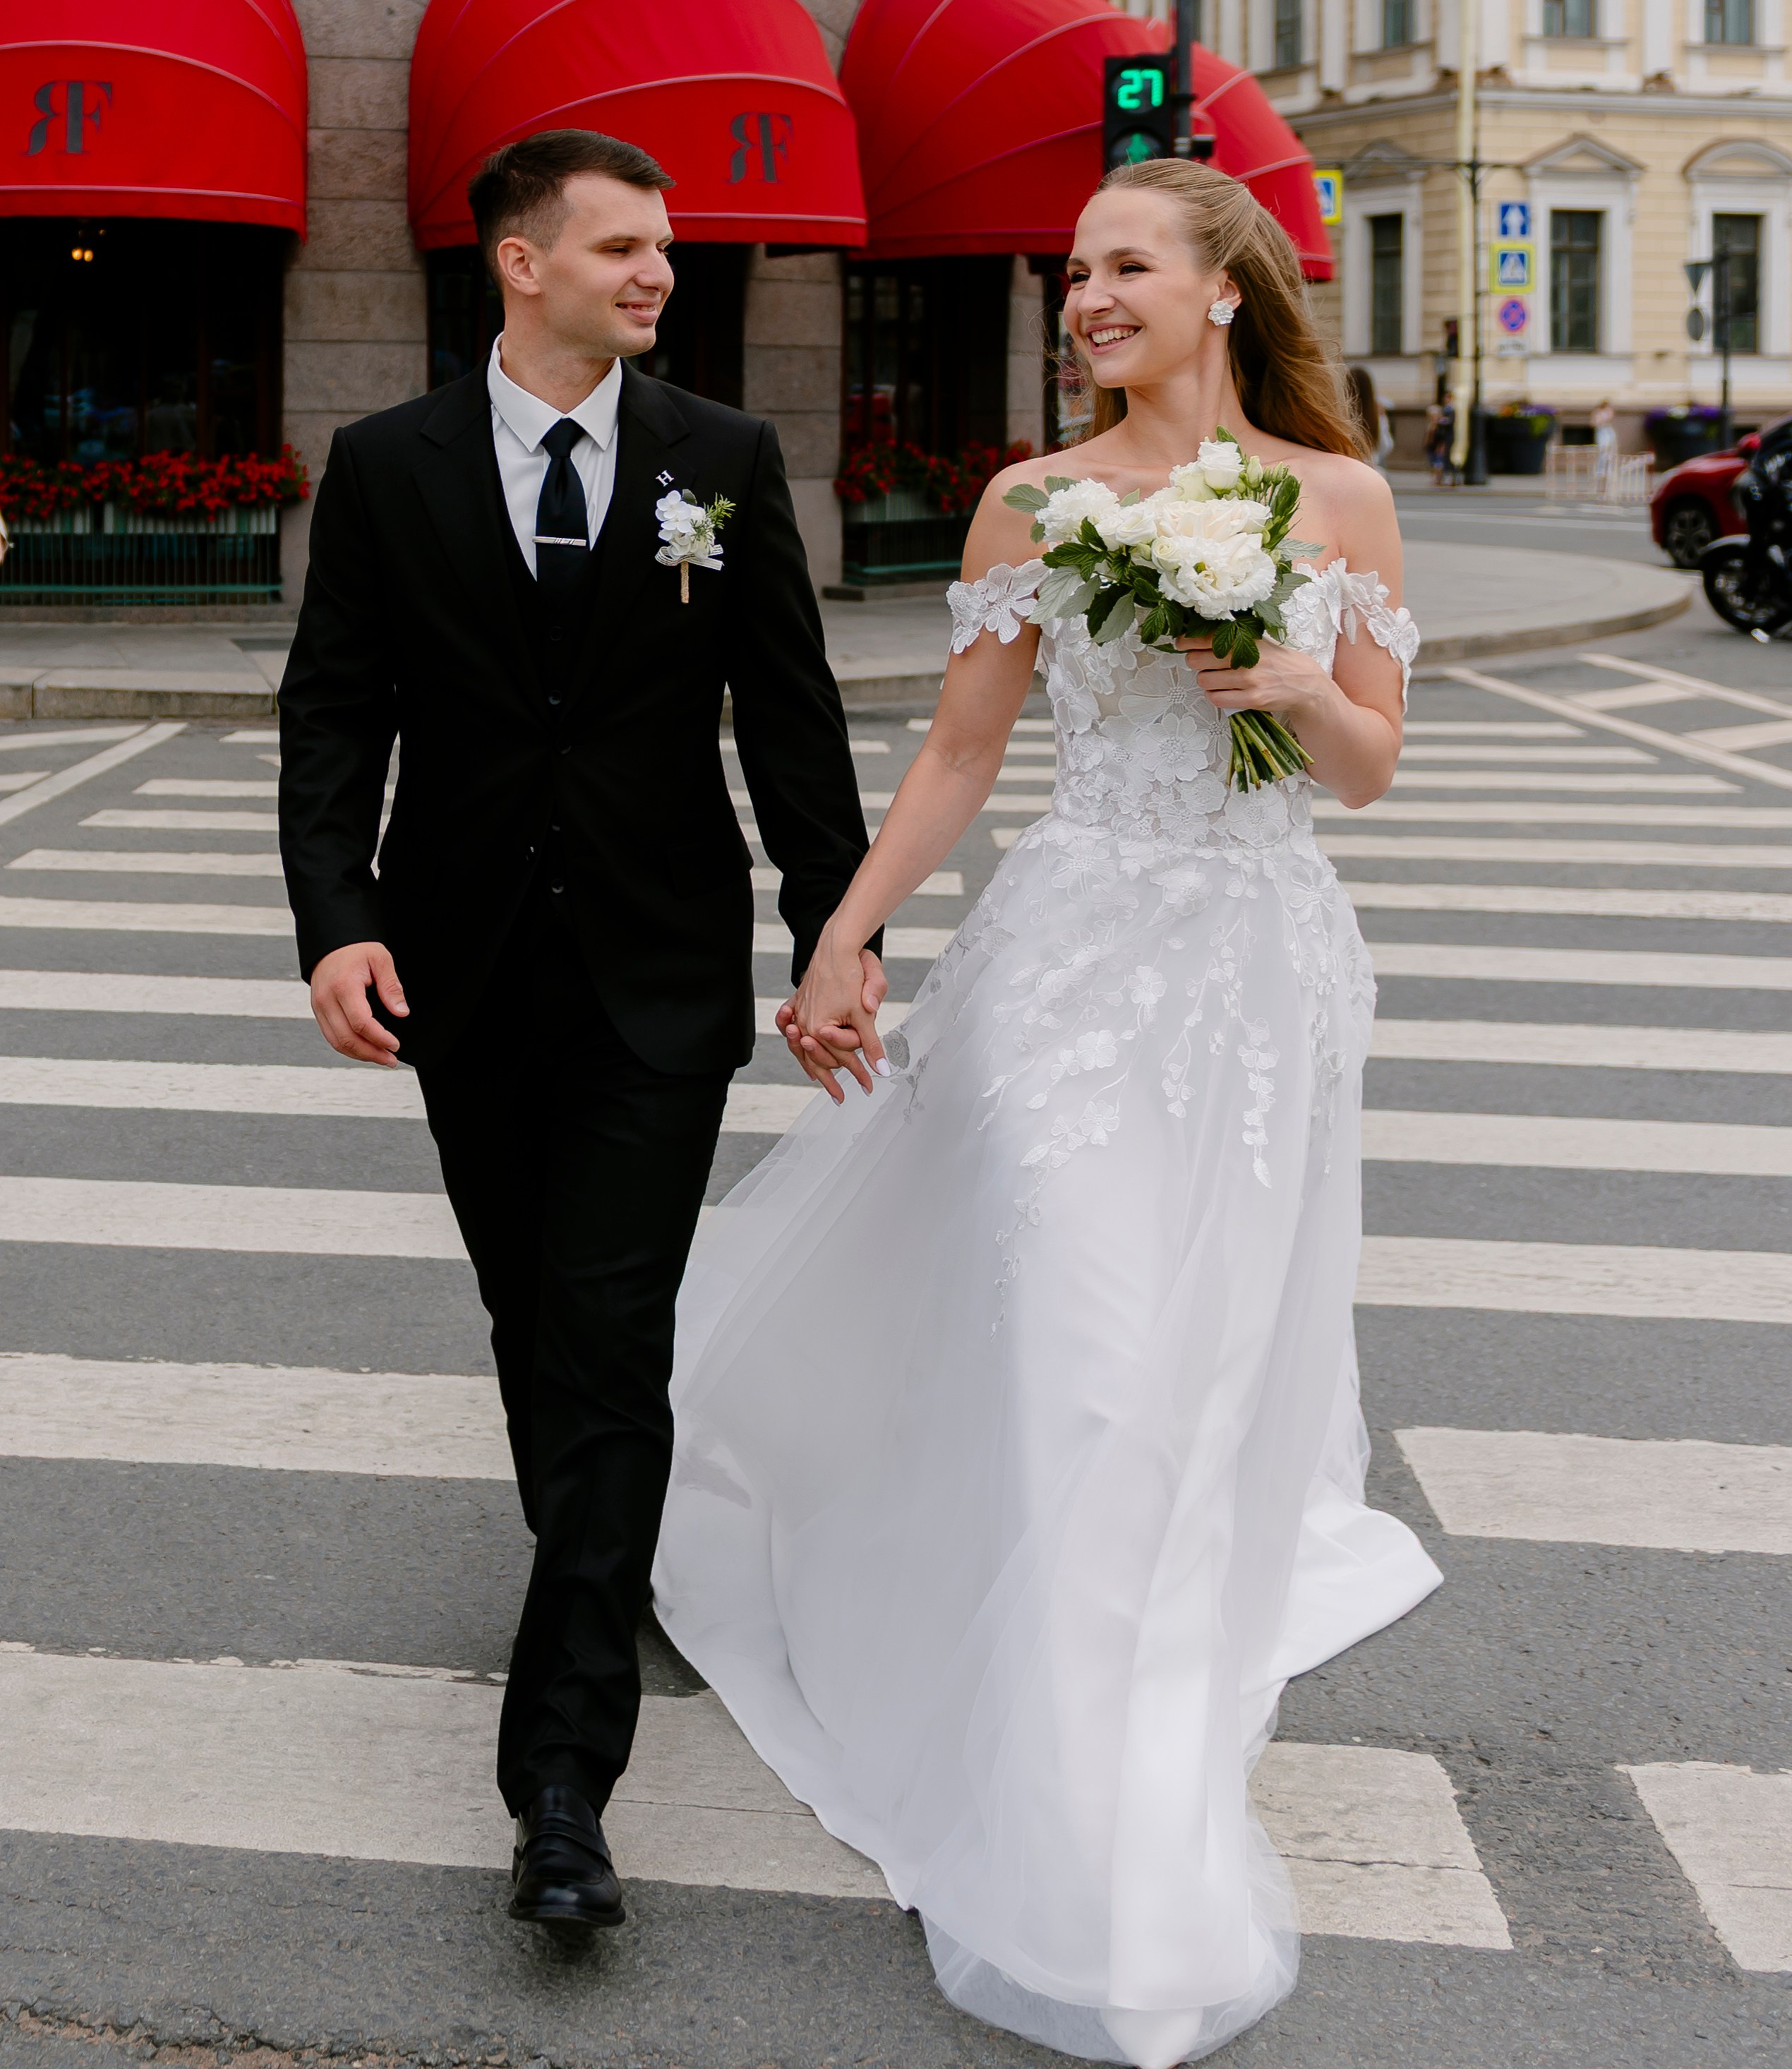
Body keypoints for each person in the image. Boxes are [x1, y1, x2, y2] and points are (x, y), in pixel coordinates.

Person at [653, 160, 1443, 2066]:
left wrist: (1277, 677)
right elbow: (957, 750)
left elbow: (1370, 764)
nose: (1086, 294)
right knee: (1087, 1372)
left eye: (1122, 265)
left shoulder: (1336, 501)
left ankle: (1119, 1745)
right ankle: (1082, 1839)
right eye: (1073, 269)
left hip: (1256, 981)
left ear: (1220, 289)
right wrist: (842, 930)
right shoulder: (1033, 499)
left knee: (1191, 1392)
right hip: (1072, 970)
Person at [277, 127, 876, 1939]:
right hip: (459, 975)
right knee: (533, 1310)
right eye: (619, 245)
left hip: (656, 977)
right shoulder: (388, 467)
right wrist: (339, 922)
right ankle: (595, 1558)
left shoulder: (722, 457)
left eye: (666, 247)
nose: (657, 274)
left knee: (610, 1335)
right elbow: (332, 719)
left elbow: (790, 720)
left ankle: (559, 1782)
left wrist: (831, 933)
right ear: (517, 264)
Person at [1346, 361, 1395, 471]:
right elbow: (1385, 447)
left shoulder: (1339, 414)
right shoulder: (1374, 414)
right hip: (1369, 470)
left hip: (1345, 471)